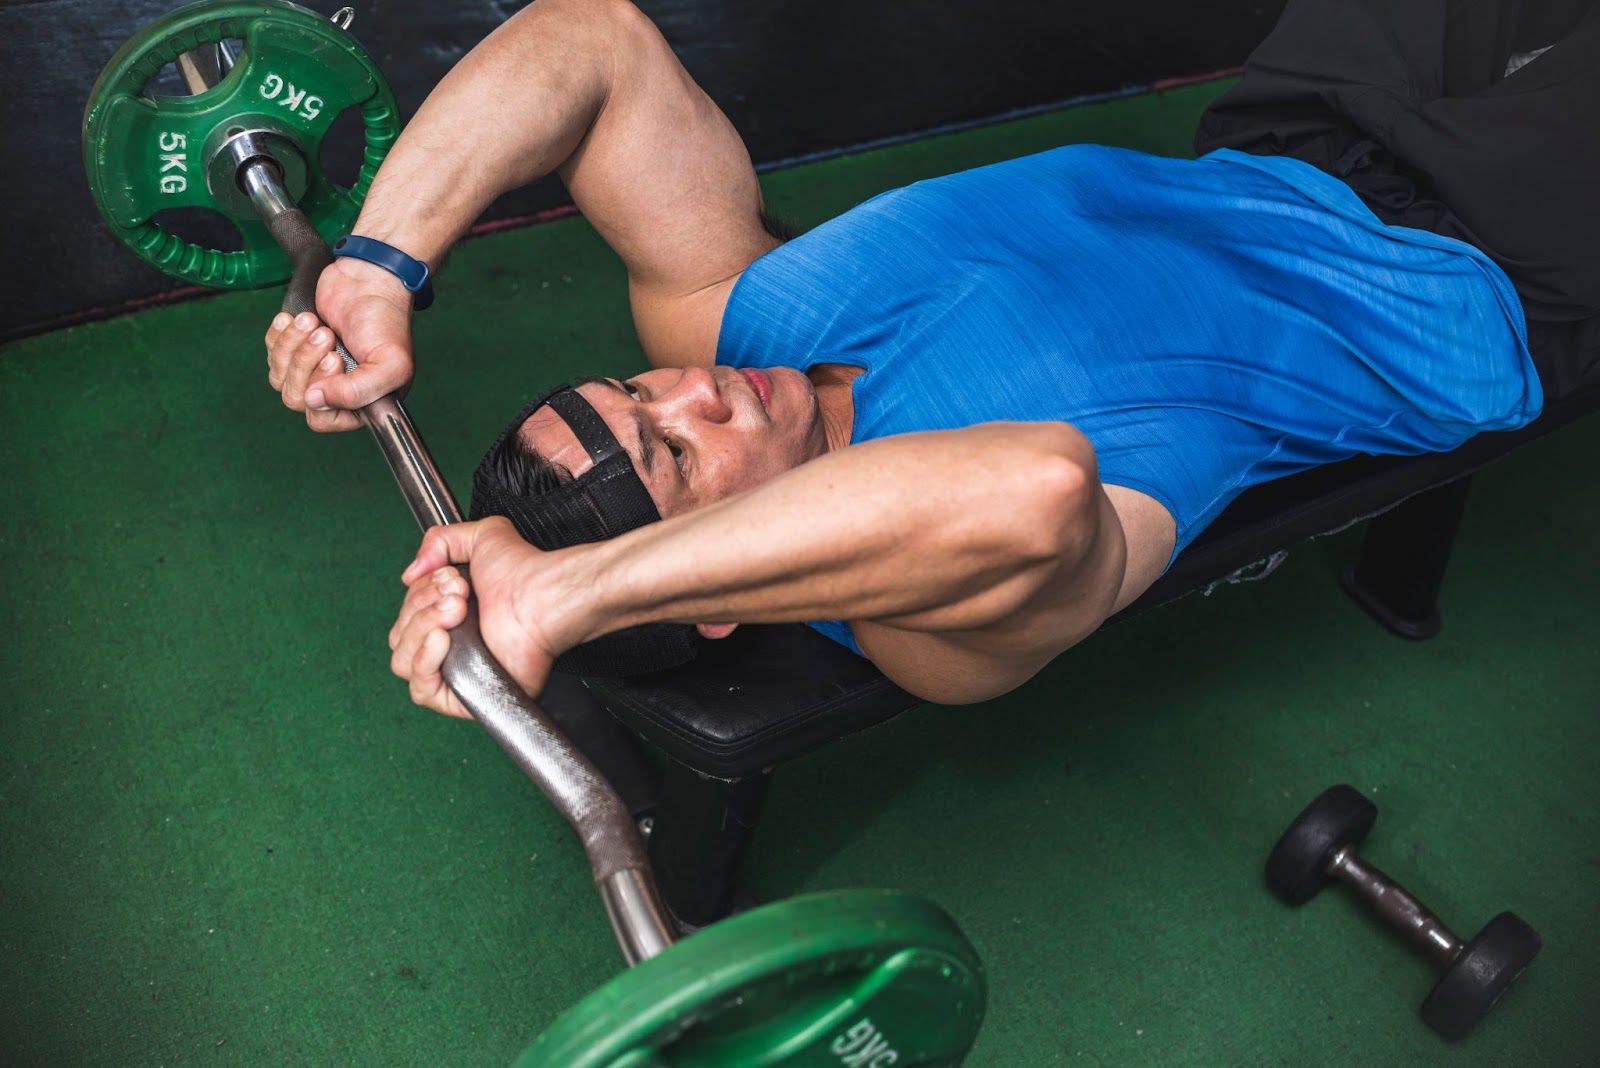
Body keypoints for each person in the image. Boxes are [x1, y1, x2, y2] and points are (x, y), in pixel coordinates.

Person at [263, 0, 1595, 714]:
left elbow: (593, 40)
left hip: (1293, 141)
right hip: (1489, 265)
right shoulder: (926, 625)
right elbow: (1034, 494)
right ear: (708, 594)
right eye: (676, 449)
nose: (694, 389)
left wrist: (378, 269)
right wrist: (563, 598)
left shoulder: (736, 330)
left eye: (635, 388)